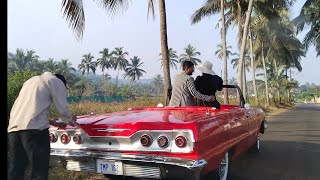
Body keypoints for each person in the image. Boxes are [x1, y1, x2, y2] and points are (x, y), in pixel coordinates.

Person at [8, 72, 79, 180]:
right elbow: (62, 108)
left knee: (16, 169)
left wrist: (51, 121)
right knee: (39, 170)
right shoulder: (56, 82)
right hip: (35, 131)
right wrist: (71, 120)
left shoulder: (30, 81)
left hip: (14, 128)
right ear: (63, 83)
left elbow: (29, 110)